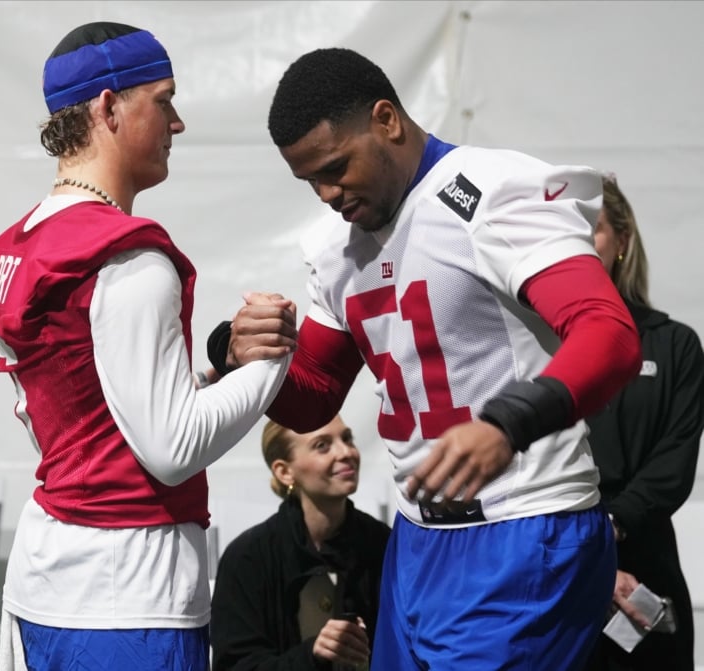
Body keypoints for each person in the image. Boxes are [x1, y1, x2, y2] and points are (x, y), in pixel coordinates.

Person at [207, 48, 644, 670]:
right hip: (417, 539)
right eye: (310, 181)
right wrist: (237, 350)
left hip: (524, 525)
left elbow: (609, 333)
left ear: (386, 120)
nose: (327, 194)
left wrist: (508, 423)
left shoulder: (491, 190)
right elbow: (314, 396)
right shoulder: (336, 246)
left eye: (336, 168)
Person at [0, 22, 296, 671]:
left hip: (48, 576)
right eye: (164, 100)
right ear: (108, 107)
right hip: (129, 589)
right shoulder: (128, 256)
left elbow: (103, 410)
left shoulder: (20, 246)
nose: (177, 122)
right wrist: (276, 357)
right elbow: (173, 448)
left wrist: (222, 371)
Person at [584, 176, 704, 671]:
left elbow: (674, 463)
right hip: (555, 562)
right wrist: (581, 545)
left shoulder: (674, 345)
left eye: (591, 228)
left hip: (646, 561)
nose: (577, 242)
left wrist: (611, 527)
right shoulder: (530, 342)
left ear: (622, 239)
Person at [210, 415, 390, 671]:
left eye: (347, 438)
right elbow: (235, 665)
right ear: (284, 472)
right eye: (322, 446)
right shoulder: (247, 558)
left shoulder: (382, 543)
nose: (345, 452)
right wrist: (312, 655)